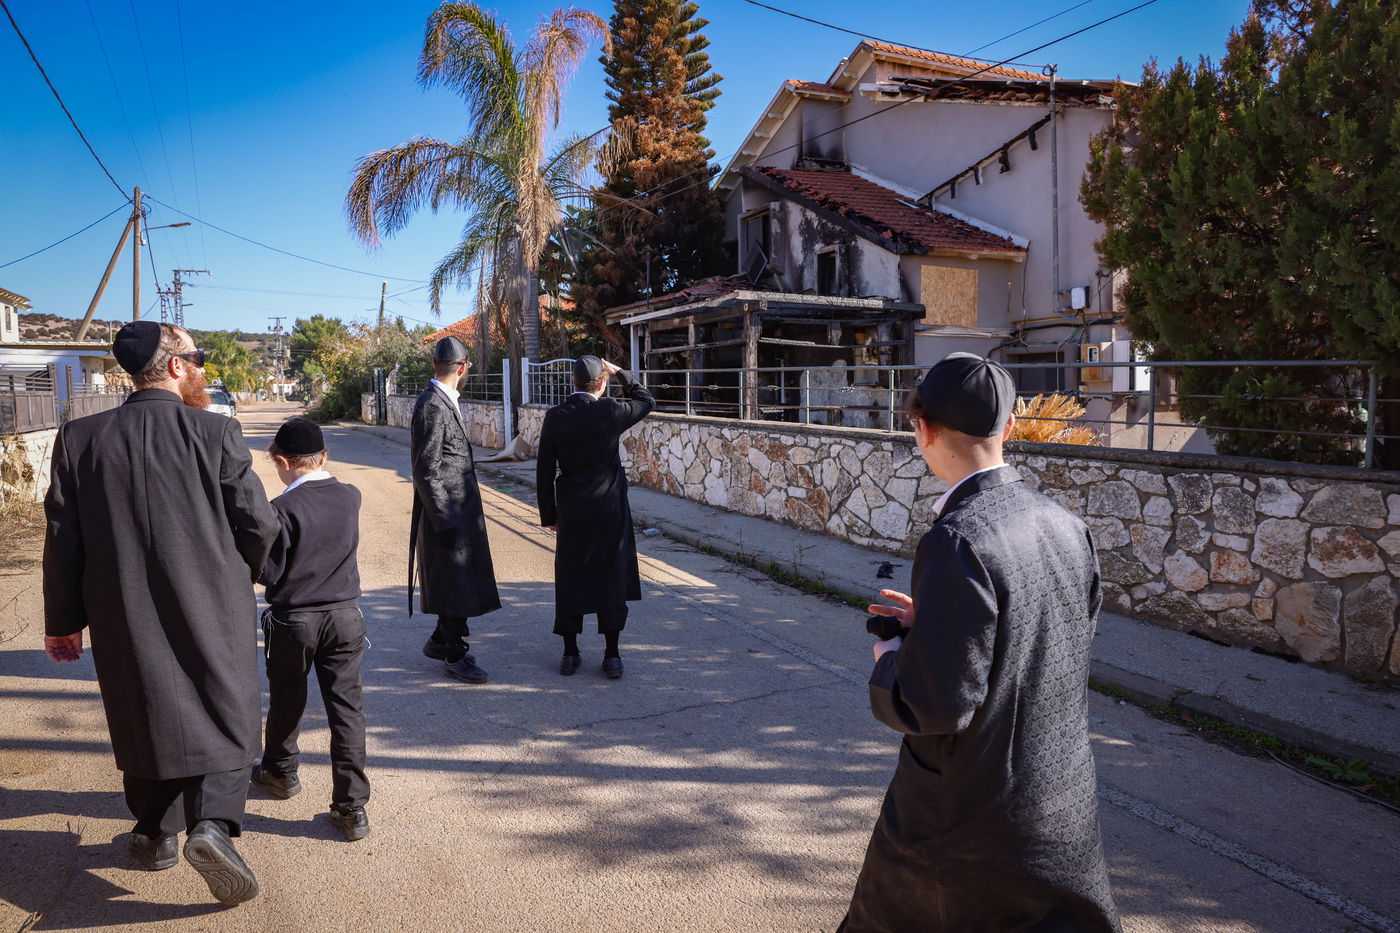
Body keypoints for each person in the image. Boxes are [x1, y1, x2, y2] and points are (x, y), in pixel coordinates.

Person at [839, 352, 1120, 932]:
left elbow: (934, 705)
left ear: (923, 428)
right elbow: (1049, 637)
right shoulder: (1065, 523)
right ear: (1009, 427)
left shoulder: (958, 539)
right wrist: (940, 621)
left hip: (967, 820)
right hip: (1060, 802)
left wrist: (891, 661)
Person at [43, 321, 276, 906]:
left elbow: (63, 540)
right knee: (226, 707)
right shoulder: (215, 432)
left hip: (121, 608)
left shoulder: (78, 438)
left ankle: (155, 835)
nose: (201, 367)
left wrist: (62, 622)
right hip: (213, 603)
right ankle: (212, 826)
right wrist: (258, 571)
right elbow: (257, 523)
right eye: (197, 357)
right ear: (174, 366)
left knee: (142, 708)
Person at [251, 418, 371, 842]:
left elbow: (269, 571)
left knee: (287, 699)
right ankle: (351, 808)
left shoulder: (281, 509)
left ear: (283, 461)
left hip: (295, 620)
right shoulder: (351, 496)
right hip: (345, 617)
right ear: (324, 456)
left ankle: (280, 773)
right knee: (347, 710)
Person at [536, 355, 655, 678]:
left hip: (572, 510)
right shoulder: (610, 411)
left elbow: (544, 470)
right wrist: (620, 373)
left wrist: (549, 514)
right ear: (601, 384)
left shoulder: (555, 416)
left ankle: (570, 654)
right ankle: (612, 656)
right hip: (609, 510)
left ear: (572, 382)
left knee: (571, 577)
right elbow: (646, 401)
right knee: (610, 578)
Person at [411, 335, 501, 683]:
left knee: (460, 582)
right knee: (455, 583)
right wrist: (444, 520)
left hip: (459, 511)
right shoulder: (432, 405)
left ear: (436, 365)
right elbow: (425, 469)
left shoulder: (442, 400)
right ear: (463, 368)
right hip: (447, 514)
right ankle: (453, 654)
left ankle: (439, 640)